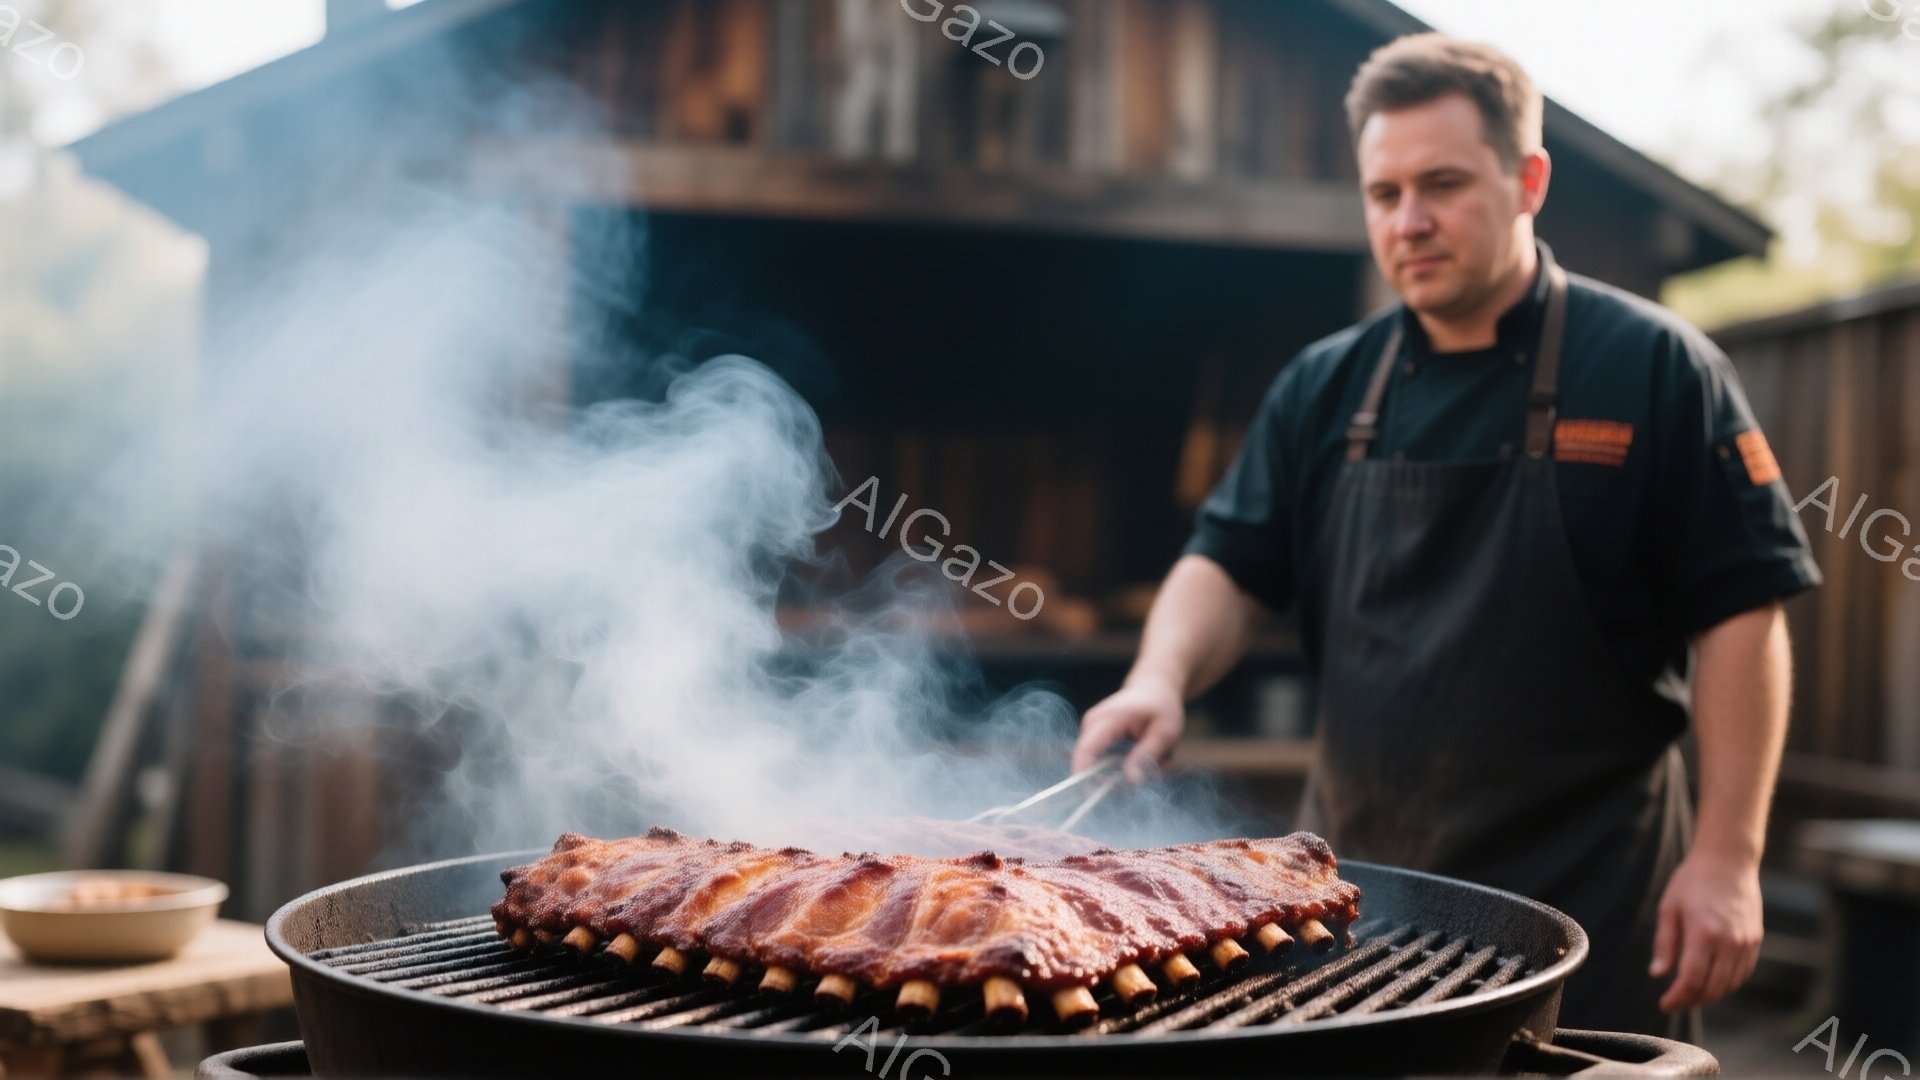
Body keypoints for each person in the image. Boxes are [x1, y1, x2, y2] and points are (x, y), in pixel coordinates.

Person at [1071, 33, 1821, 1038]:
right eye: (1384, 195)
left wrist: (1729, 856)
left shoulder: (1656, 367)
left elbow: (1744, 611)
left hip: (1591, 908)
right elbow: (1228, 563)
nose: (1410, 222)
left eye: (1443, 185)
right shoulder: (1324, 385)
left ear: (1529, 181)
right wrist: (1159, 678)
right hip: (1362, 914)